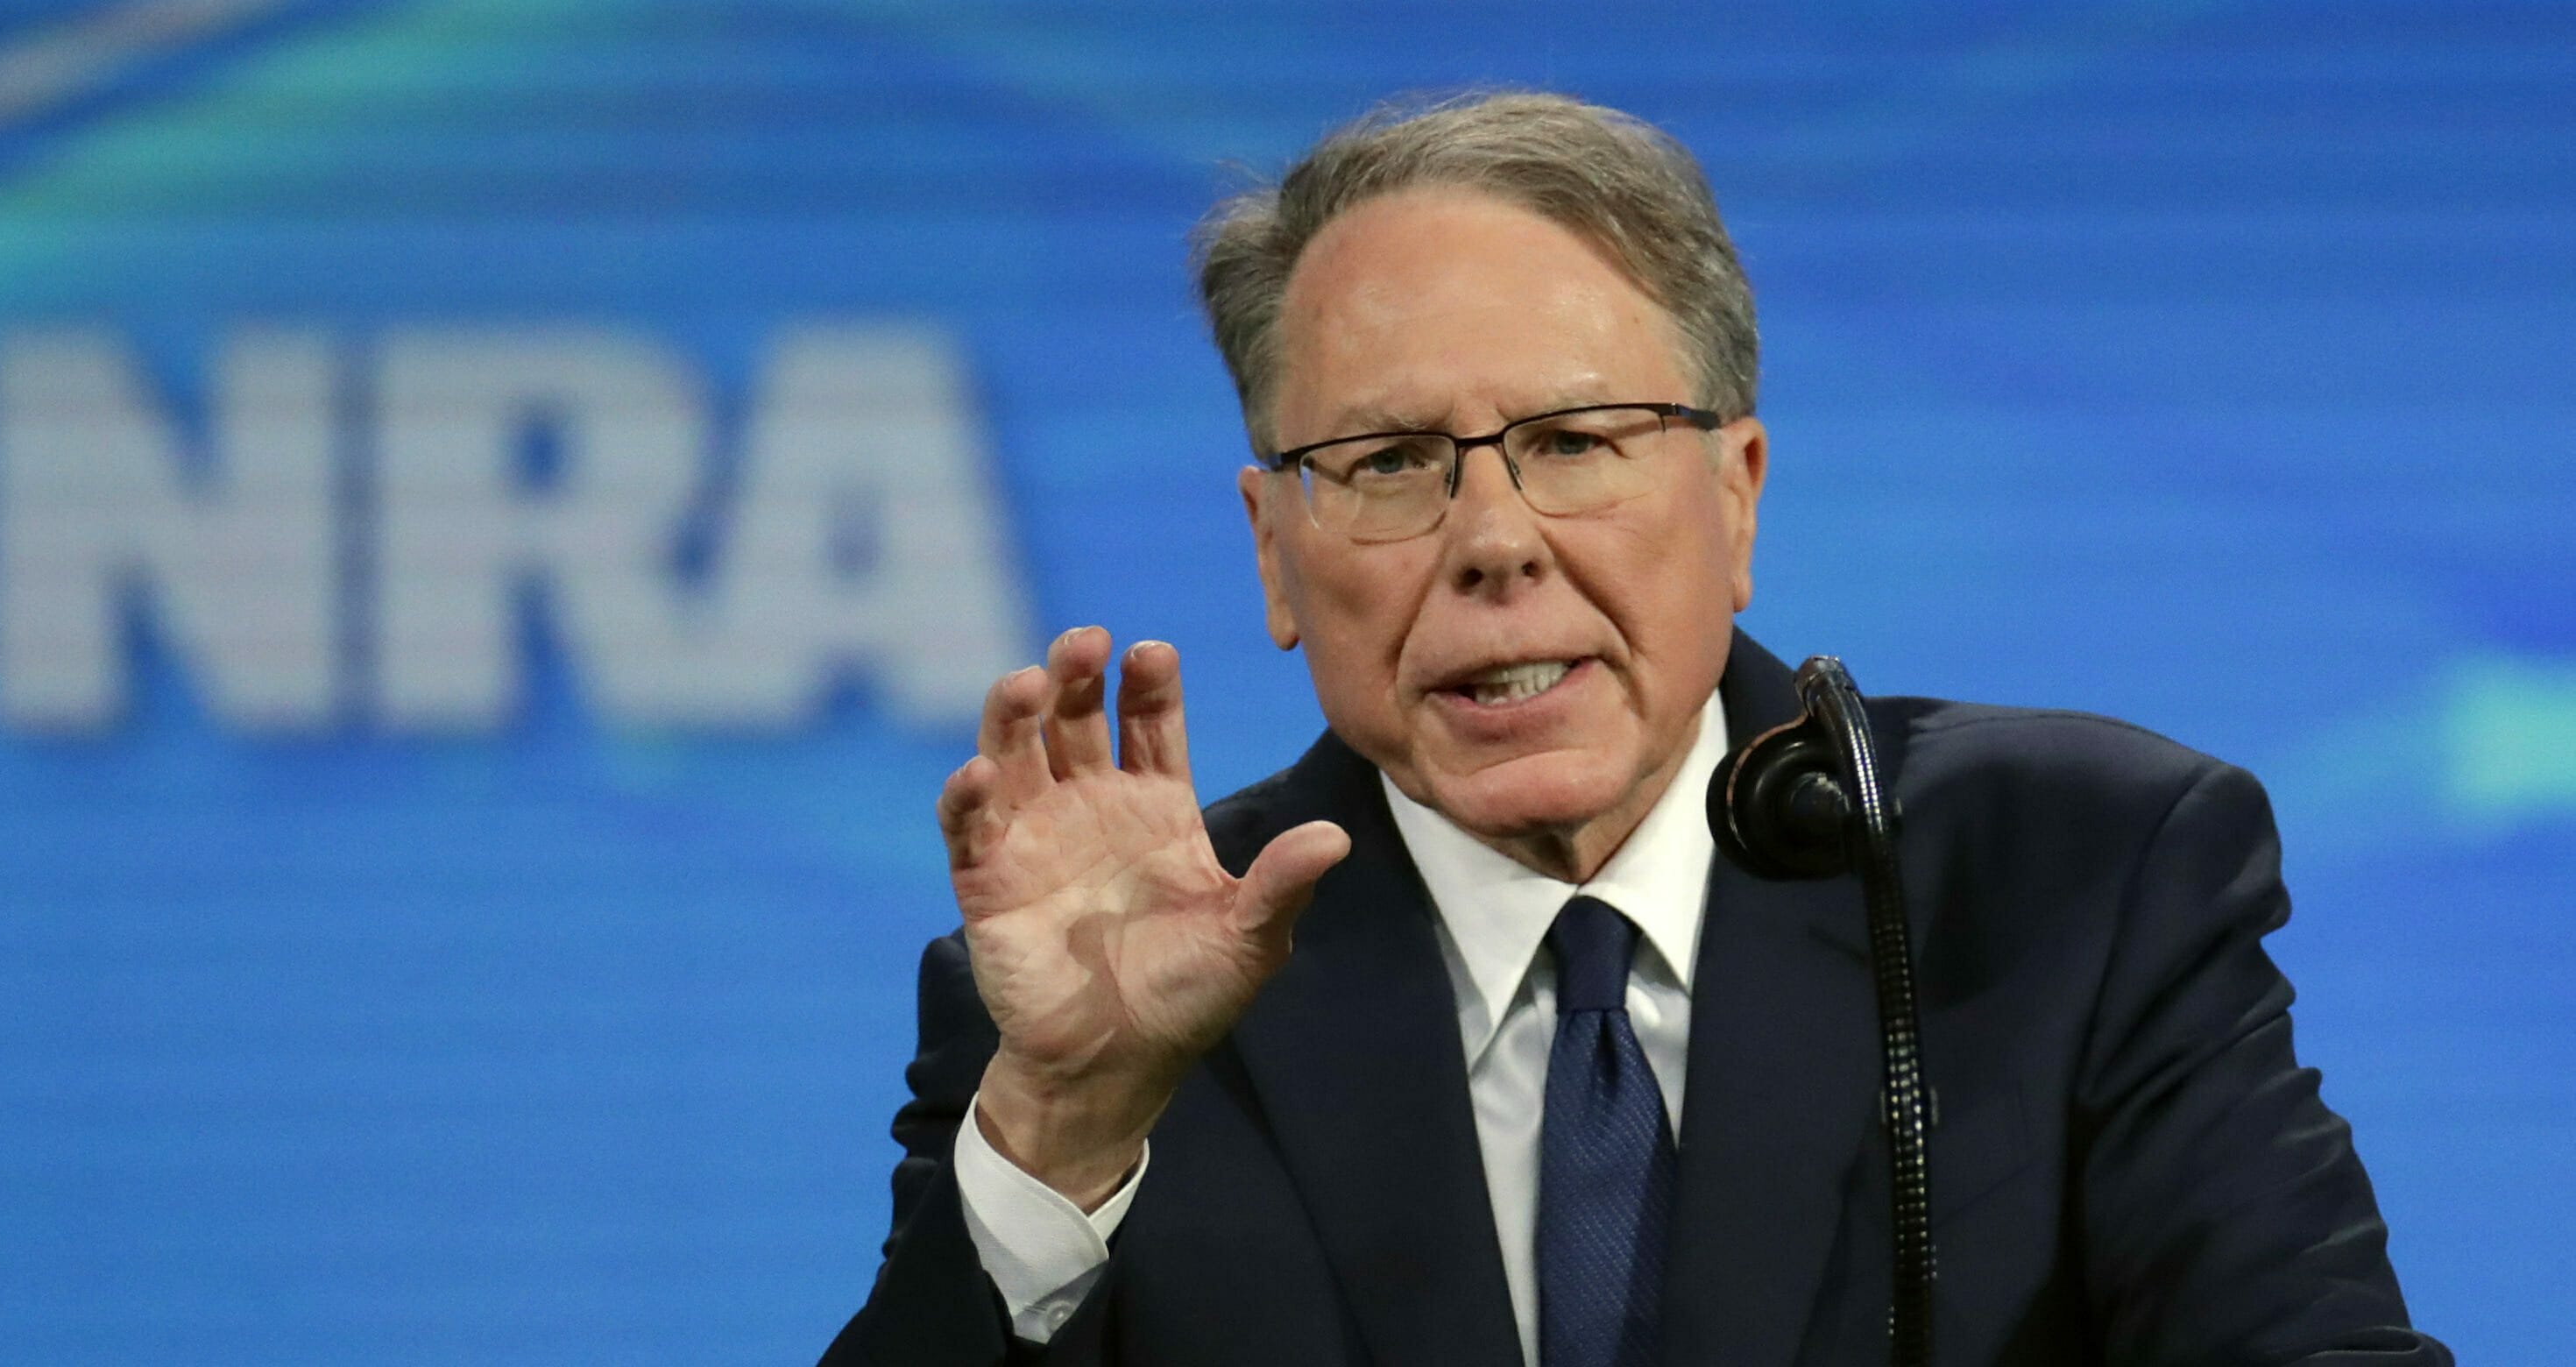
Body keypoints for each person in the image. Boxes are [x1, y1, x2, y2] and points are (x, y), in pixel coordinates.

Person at [820, 92, 2447, 1367]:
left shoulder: (2073, 877)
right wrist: (1061, 1139)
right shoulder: (1106, 1006)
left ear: (1735, 497)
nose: (1492, 537)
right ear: (1273, 553)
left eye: (1579, 439)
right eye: (1386, 461)